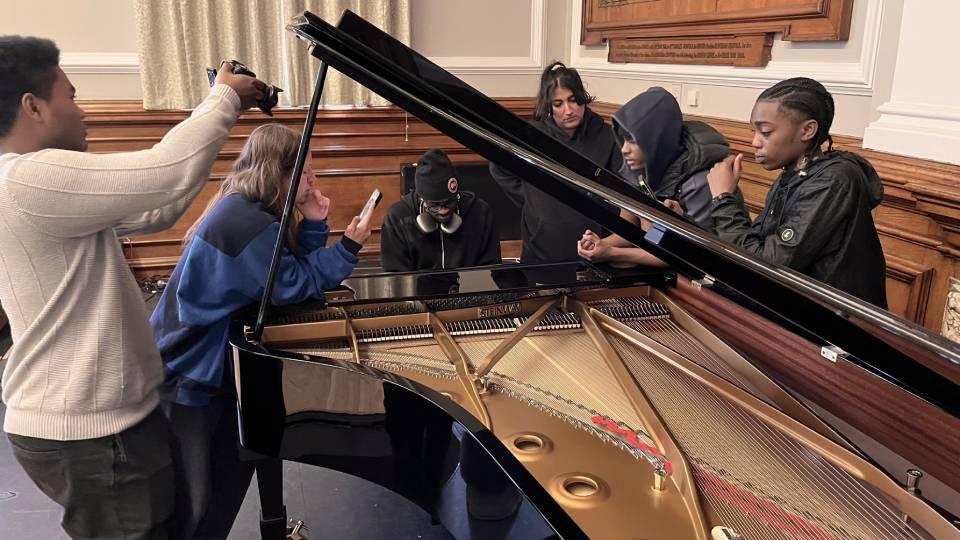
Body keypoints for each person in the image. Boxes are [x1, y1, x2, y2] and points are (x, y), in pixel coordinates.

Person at [0, 35, 263, 539]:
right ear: (32, 107)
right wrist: (224, 97)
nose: (83, 113)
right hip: (92, 433)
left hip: (100, 425)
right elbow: (164, 174)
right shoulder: (28, 180)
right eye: (71, 97)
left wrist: (219, 111)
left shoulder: (31, 187)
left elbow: (157, 207)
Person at [150, 123, 373, 538]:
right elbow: (291, 285)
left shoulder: (249, 208)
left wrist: (314, 223)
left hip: (201, 362)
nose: (313, 179)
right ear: (279, 173)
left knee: (217, 486)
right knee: (197, 501)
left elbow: (281, 275)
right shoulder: (247, 223)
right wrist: (347, 248)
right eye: (305, 172)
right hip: (188, 371)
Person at [706, 77, 887, 307]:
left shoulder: (833, 181)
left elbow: (768, 265)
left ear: (807, 130)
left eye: (766, 132)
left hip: (830, 326)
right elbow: (758, 245)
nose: (754, 142)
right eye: (754, 131)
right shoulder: (793, 174)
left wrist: (723, 199)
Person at [577, 86, 744, 267]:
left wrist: (612, 253)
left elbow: (690, 256)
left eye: (633, 140)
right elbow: (630, 229)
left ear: (656, 140)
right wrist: (600, 244)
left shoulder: (700, 182)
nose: (624, 149)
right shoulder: (641, 167)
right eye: (623, 139)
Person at [489, 61, 622, 264]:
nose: (568, 110)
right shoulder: (532, 135)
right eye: (558, 104)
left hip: (593, 248)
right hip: (540, 250)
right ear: (549, 106)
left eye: (573, 100)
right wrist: (533, 196)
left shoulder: (607, 136)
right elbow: (499, 166)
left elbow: (621, 192)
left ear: (583, 98)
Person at [381, 148, 500, 271]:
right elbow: (395, 280)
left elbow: (492, 272)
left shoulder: (480, 213)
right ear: (422, 199)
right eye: (435, 205)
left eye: (449, 202)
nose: (443, 211)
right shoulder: (398, 218)